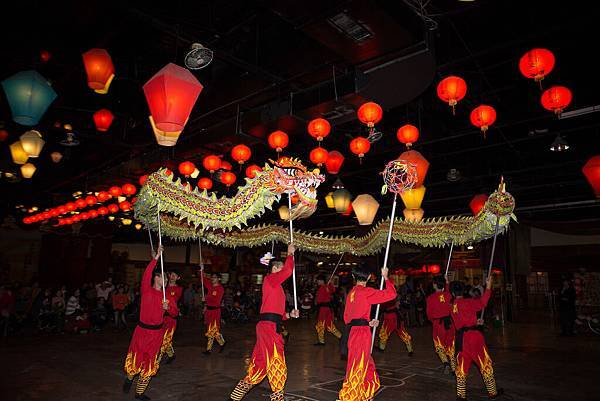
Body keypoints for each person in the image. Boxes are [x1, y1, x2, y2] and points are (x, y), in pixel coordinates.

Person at [228, 244, 299, 401]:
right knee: (277, 362)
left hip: (269, 325)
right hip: (269, 328)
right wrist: (290, 255)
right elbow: (288, 270)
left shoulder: (276, 287)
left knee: (260, 365)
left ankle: (235, 397)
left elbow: (278, 314)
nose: (284, 271)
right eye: (280, 268)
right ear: (274, 269)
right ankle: (277, 398)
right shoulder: (270, 279)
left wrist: (289, 314)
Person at [337, 263, 396, 401]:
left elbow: (348, 318)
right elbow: (391, 294)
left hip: (352, 332)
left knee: (366, 365)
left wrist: (366, 322)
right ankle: (347, 397)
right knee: (357, 366)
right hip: (361, 334)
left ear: (353, 276)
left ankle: (363, 395)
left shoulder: (351, 293)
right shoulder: (366, 292)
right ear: (369, 277)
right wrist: (386, 278)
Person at [122, 245, 168, 401]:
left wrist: (168, 308)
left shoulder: (165, 297)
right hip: (142, 331)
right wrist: (156, 258)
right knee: (136, 359)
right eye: (163, 277)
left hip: (157, 334)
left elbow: (174, 312)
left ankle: (140, 392)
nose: (166, 280)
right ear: (156, 277)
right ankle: (129, 378)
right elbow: (147, 274)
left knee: (150, 363)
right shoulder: (146, 290)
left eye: (167, 278)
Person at [450, 276, 503, 400]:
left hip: (461, 339)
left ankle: (461, 396)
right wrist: (488, 286)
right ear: (463, 291)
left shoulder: (452, 306)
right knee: (485, 364)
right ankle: (492, 392)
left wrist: (475, 322)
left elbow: (462, 320)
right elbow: (483, 302)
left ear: (452, 293)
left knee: (462, 367)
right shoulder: (468, 302)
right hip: (474, 338)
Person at [426, 275, 455, 374]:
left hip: (438, 324)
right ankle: (454, 366)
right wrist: (447, 282)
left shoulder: (430, 298)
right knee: (450, 344)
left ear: (434, 285)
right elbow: (447, 293)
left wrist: (433, 321)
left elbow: (429, 314)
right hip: (450, 323)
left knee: (439, 345)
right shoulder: (448, 295)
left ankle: (446, 363)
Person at [201, 270, 226, 355]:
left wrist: (206, 299)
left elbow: (216, 301)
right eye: (212, 277)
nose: (212, 279)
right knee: (210, 329)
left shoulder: (220, 288)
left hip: (215, 311)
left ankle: (212, 347)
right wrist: (202, 269)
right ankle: (216, 346)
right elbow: (203, 279)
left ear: (219, 279)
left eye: (214, 277)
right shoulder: (210, 286)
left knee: (213, 330)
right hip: (209, 311)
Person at [160, 270, 182, 363]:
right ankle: (171, 354)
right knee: (162, 337)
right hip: (161, 316)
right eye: (171, 274)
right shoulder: (163, 287)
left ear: (178, 278)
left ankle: (157, 359)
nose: (172, 276)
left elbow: (174, 299)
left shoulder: (178, 289)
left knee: (166, 338)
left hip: (171, 316)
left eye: (175, 275)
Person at [314, 274, 342, 345]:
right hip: (328, 309)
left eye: (317, 281)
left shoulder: (323, 288)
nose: (317, 282)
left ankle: (321, 341)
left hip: (324, 309)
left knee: (321, 325)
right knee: (329, 325)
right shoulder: (327, 287)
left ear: (321, 281)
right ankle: (341, 337)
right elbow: (333, 290)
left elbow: (319, 300)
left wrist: (329, 286)